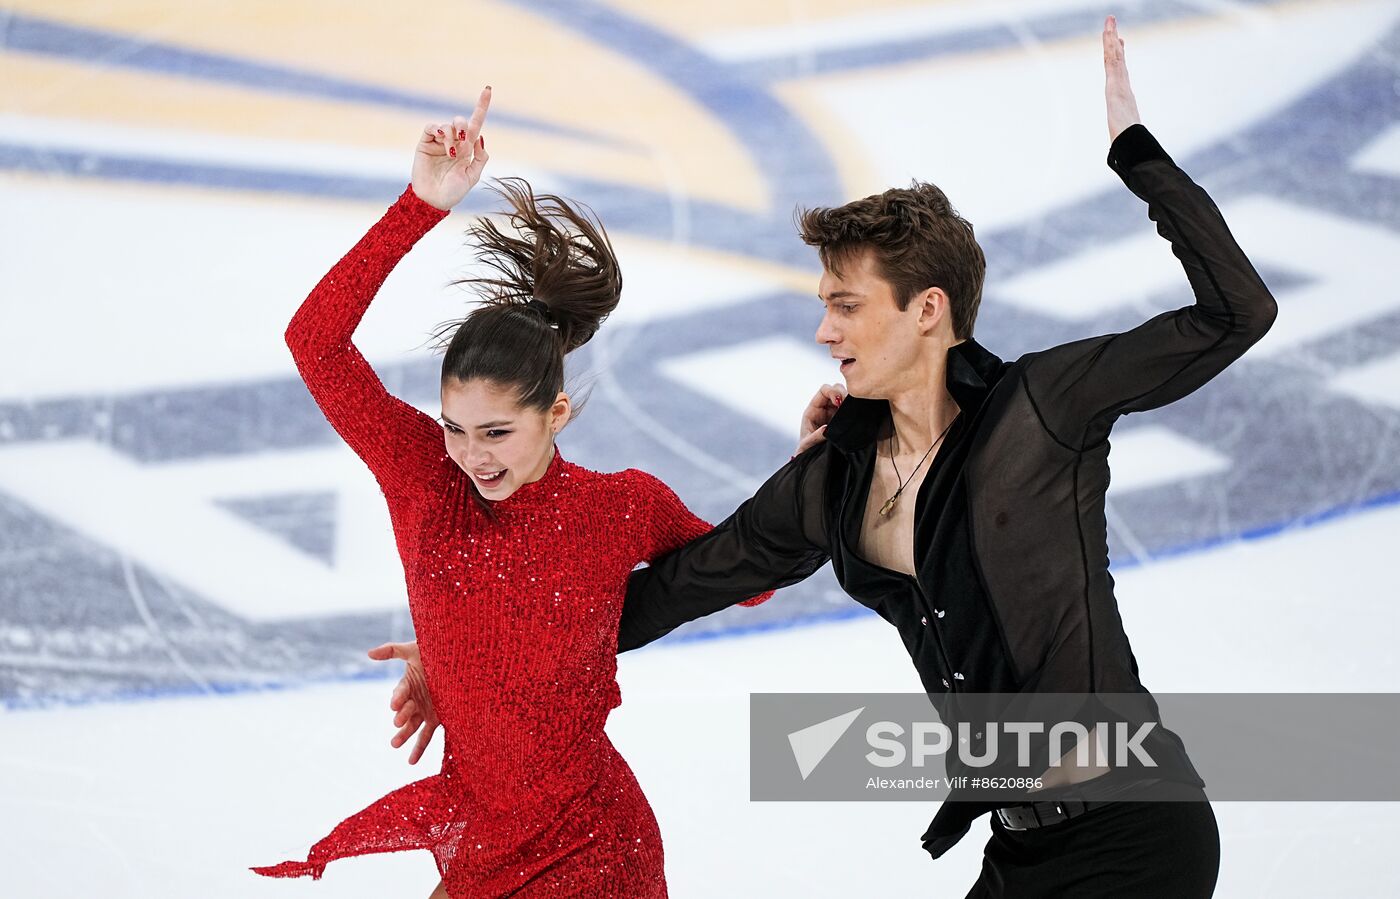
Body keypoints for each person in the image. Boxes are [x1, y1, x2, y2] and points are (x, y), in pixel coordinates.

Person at [381, 17, 1274, 897]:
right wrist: (468, 643)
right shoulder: (835, 481)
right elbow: (666, 592)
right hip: (1018, 850)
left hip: (1140, 832)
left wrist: (1135, 152)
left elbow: (1239, 311)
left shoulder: (1039, 411)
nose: (823, 328)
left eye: (846, 304)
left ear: (927, 309)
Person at [250, 86, 768, 898]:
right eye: (456, 426)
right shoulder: (424, 478)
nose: (470, 455)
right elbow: (313, 342)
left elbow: (751, 573)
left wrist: (825, 457)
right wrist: (419, 206)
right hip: (480, 835)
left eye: (497, 433)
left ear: (554, 412)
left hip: (596, 847)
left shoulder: (618, 506)